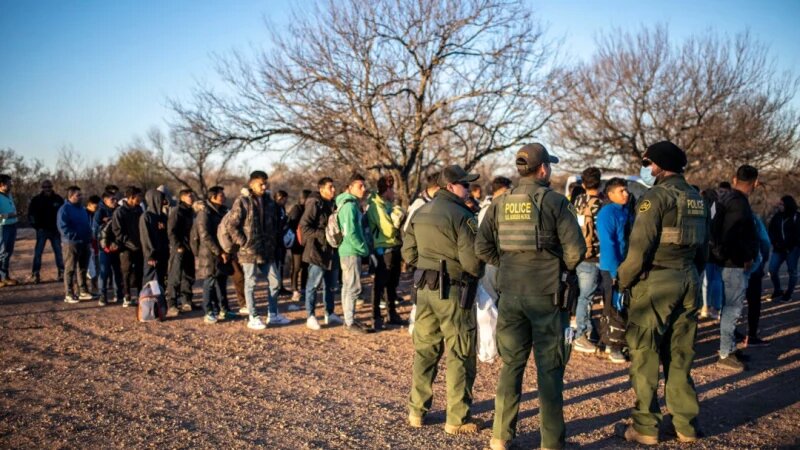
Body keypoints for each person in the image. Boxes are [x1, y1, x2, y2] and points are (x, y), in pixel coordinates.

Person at [476, 144, 585, 450]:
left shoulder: (500, 203)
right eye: (548, 165)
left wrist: (510, 265)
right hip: (547, 295)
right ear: (542, 169)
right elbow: (576, 252)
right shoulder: (555, 202)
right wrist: (554, 266)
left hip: (510, 294)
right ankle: (550, 442)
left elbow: (482, 248)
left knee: (511, 366)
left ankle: (500, 436)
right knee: (549, 369)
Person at [616, 141, 708, 445]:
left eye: (648, 162)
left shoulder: (655, 197)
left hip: (657, 284)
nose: (647, 167)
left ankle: (645, 427)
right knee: (680, 355)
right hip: (689, 280)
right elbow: (703, 249)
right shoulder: (696, 197)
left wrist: (622, 281)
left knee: (645, 356)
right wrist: (691, 275)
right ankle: (685, 425)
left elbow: (639, 247)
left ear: (658, 165)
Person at [403, 164, 482, 435]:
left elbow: (408, 253)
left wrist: (427, 265)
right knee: (459, 353)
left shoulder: (420, 211)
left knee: (425, 351)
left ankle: (417, 411)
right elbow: (473, 264)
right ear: (450, 186)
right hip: (454, 293)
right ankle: (457, 419)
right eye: (465, 184)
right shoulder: (463, 216)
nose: (469, 189)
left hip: (424, 290)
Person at [226, 171, 290, 330]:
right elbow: (232, 225)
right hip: (249, 251)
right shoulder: (242, 201)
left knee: (275, 282)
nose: (264, 186)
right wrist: (244, 242)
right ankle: (253, 317)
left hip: (267, 250)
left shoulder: (269, 201)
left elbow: (275, 223)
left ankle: (273, 315)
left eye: (265, 183)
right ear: (251, 184)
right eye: (261, 183)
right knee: (251, 283)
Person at [711, 165, 760, 371]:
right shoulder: (739, 204)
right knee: (733, 308)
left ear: (734, 179)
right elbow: (733, 235)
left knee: (729, 307)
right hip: (734, 264)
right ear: (755, 182)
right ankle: (725, 353)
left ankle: (729, 347)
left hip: (729, 262)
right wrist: (746, 256)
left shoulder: (728, 199)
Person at [596, 177, 633, 364]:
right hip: (612, 269)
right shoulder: (606, 214)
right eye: (621, 191)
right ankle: (612, 346)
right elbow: (609, 244)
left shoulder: (626, 211)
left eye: (626, 190)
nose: (626, 194)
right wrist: (614, 272)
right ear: (610, 194)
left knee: (624, 306)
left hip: (627, 267)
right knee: (613, 307)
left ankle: (620, 342)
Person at [300, 177, 342, 330]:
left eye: (333, 187)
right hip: (317, 251)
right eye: (330, 187)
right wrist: (324, 234)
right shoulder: (314, 203)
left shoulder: (334, 203)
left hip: (332, 251)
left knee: (331, 285)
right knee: (313, 285)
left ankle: (329, 313)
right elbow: (304, 226)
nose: (333, 190)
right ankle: (310, 316)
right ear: (321, 189)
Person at [367, 175, 407, 329]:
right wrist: (398, 214)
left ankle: (392, 315)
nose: (394, 193)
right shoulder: (376, 206)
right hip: (384, 250)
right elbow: (389, 230)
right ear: (387, 189)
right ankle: (375, 316)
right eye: (393, 189)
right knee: (379, 284)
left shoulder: (387, 205)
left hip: (394, 248)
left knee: (391, 285)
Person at [571, 167, 604, 353]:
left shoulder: (578, 201)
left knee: (584, 296)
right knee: (587, 297)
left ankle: (587, 331)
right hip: (595, 255)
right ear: (600, 183)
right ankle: (581, 335)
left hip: (580, 253)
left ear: (583, 184)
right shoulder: (600, 204)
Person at [336, 173, 373, 333]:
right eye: (360, 186)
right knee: (353, 288)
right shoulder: (350, 206)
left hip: (347, 250)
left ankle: (349, 320)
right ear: (350, 187)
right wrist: (363, 248)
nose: (363, 189)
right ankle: (350, 322)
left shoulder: (346, 203)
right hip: (351, 251)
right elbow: (350, 232)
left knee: (347, 286)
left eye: (364, 186)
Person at [196, 186, 236, 324]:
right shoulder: (204, 213)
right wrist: (219, 252)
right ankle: (208, 311)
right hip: (210, 255)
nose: (224, 197)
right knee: (210, 283)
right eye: (221, 195)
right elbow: (205, 236)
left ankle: (224, 309)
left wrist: (228, 251)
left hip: (224, 253)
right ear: (213, 197)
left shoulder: (224, 211)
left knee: (222, 283)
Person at [57, 186, 94, 303]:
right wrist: (75, 236)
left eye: (81, 194)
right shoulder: (64, 209)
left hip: (84, 242)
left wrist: (88, 236)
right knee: (70, 268)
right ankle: (69, 293)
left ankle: (83, 291)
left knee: (83, 268)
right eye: (78, 195)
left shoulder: (82, 209)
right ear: (71, 196)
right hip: (71, 243)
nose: (81, 197)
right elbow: (63, 227)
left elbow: (87, 224)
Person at [166, 189, 197, 316]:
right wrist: (177, 245)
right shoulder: (177, 211)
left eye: (192, 195)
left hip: (189, 248)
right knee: (175, 275)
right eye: (189, 196)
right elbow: (171, 231)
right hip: (179, 248)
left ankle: (187, 301)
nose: (192, 198)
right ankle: (172, 304)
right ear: (182, 197)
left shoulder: (190, 212)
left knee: (188, 275)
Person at [28, 180, 65, 284]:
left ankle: (61, 272)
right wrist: (36, 227)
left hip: (55, 231)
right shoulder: (36, 200)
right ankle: (35, 274)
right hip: (42, 230)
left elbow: (64, 214)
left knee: (58, 252)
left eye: (49, 187)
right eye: (45, 187)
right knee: (38, 253)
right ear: (42, 188)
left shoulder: (58, 199)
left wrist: (60, 227)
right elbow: (31, 215)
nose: (47, 189)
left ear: (52, 187)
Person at [112, 186, 144, 307]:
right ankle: (127, 296)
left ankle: (141, 295)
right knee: (126, 271)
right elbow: (118, 232)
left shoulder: (139, 209)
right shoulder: (119, 212)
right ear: (131, 198)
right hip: (125, 248)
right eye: (138, 197)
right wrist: (130, 243)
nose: (140, 199)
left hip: (139, 246)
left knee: (140, 271)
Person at [94, 191, 123, 306]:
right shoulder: (100, 212)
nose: (115, 201)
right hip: (104, 248)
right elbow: (96, 231)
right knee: (104, 272)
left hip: (117, 246)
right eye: (112, 200)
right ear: (105, 201)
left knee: (117, 272)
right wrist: (104, 246)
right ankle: (102, 295)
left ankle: (119, 294)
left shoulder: (119, 209)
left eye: (116, 199)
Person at [767, 195, 799, 302]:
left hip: (792, 249)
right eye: (779, 204)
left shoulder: (796, 217)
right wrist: (775, 243)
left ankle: (788, 293)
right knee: (772, 269)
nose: (779, 206)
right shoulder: (777, 217)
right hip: (778, 248)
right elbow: (771, 230)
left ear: (787, 205)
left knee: (792, 271)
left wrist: (790, 245)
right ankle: (777, 290)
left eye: (781, 204)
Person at [140, 189, 170, 300]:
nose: (163, 201)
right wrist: (150, 255)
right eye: (161, 199)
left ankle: (159, 304)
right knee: (150, 281)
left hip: (163, 254)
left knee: (161, 280)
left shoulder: (162, 216)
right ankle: (148, 304)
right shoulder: (146, 217)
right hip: (152, 256)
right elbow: (146, 238)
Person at [746, 214, 771, 346]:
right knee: (754, 302)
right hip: (753, 265)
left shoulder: (723, 213)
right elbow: (765, 241)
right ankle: (751, 334)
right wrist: (763, 260)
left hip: (730, 266)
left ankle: (730, 336)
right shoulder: (753, 217)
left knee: (731, 305)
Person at [287, 189, 311, 309]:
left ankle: (303, 288)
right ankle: (295, 290)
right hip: (297, 243)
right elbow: (291, 224)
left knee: (306, 266)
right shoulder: (297, 209)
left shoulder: (308, 209)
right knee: (297, 267)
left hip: (306, 243)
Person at [0, 175, 19, 287]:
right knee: (2, 253)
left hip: (12, 225)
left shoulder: (9, 195)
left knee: (8, 252)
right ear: (1, 184)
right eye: (8, 182)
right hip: (3, 227)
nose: (11, 184)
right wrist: (8, 215)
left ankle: (5, 276)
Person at [273, 190, 293, 297]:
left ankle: (280, 287)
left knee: (281, 264)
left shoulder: (281, 208)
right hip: (275, 241)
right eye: (284, 199)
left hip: (281, 240)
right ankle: (276, 287)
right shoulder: (274, 208)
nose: (285, 201)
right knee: (276, 264)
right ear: (280, 198)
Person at [85, 195, 101, 294]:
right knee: (87, 267)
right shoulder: (83, 214)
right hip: (87, 242)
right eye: (96, 206)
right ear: (90, 204)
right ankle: (83, 288)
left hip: (96, 242)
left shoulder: (97, 214)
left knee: (97, 266)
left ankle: (95, 287)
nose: (97, 208)